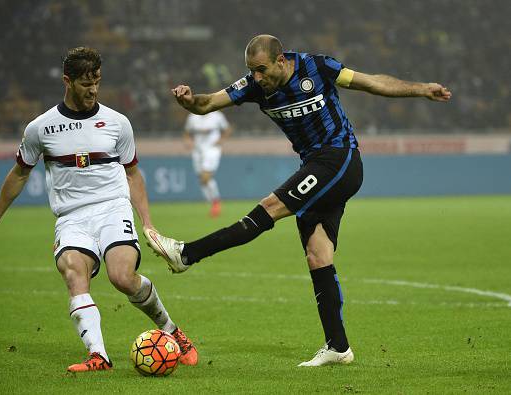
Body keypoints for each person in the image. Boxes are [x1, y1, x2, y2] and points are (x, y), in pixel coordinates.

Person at [144, 35, 451, 367]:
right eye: (251, 71)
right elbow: (205, 104)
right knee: (318, 256)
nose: (257, 78)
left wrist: (421, 88)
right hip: (313, 167)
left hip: (340, 159)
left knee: (270, 206)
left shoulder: (316, 66)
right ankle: (338, 346)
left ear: (280, 60)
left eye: (261, 70)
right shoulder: (253, 85)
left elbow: (371, 83)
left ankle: (187, 254)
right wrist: (188, 99)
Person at [0, 47, 198, 372]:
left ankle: (173, 331)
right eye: (85, 83)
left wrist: (147, 223)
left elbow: (132, 173)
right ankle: (98, 356)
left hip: (112, 209)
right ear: (67, 81)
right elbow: (20, 172)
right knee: (74, 273)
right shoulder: (41, 128)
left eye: (97, 82)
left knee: (121, 277)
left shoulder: (118, 124)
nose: (93, 89)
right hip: (71, 218)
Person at [183, 111, 232, 217]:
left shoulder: (217, 115)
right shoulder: (192, 117)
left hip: (212, 150)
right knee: (202, 180)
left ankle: (216, 203)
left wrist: (221, 140)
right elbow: (187, 131)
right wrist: (188, 141)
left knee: (206, 176)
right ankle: (213, 203)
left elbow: (227, 129)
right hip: (197, 151)